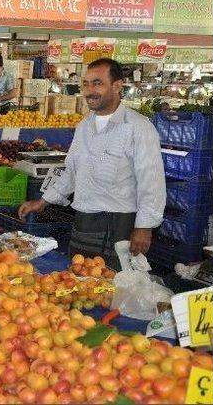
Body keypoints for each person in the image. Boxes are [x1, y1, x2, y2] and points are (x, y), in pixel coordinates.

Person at [18, 58, 165, 270]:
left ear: (117, 86)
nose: (89, 91)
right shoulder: (84, 126)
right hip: (84, 222)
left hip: (118, 225)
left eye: (97, 83)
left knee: (113, 288)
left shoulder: (138, 128)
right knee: (81, 283)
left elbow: (151, 181)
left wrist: (144, 227)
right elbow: (72, 172)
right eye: (85, 84)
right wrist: (43, 201)